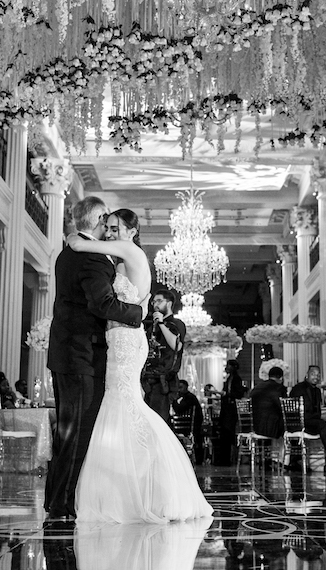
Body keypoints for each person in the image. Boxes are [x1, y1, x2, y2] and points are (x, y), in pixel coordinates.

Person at [67, 207, 213, 523]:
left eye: (115, 227)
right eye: (107, 227)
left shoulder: (126, 250)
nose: (109, 232)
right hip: (123, 338)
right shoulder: (126, 256)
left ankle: (137, 484)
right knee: (123, 404)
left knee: (122, 403)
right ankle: (133, 482)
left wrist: (75, 230)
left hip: (125, 340)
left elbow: (77, 245)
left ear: (132, 231)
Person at [44, 198, 145, 521]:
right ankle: (61, 504)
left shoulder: (69, 253)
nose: (110, 228)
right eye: (107, 222)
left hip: (67, 354)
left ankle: (56, 499)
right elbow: (102, 304)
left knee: (68, 431)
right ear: (99, 220)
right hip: (81, 356)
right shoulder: (92, 260)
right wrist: (139, 313)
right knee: (77, 432)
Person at [142, 289, 186, 423]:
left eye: (159, 301)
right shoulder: (150, 327)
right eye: (154, 301)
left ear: (169, 303)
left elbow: (176, 346)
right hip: (148, 380)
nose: (155, 304)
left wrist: (161, 324)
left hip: (164, 381)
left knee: (158, 421)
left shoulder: (176, 324)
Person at [250, 366, 287, 466]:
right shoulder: (279, 388)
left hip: (254, 426)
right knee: (292, 426)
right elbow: (283, 408)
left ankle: (265, 458)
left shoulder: (257, 387)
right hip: (271, 428)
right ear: (281, 378)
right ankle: (287, 460)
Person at [215, 359, 246, 466]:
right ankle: (224, 459)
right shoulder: (230, 378)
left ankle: (226, 459)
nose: (226, 368)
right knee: (225, 434)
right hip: (227, 410)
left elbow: (237, 393)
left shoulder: (236, 379)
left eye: (228, 366)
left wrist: (225, 394)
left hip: (230, 411)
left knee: (227, 434)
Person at [172, 379, 205, 465]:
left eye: (181, 387)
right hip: (189, 426)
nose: (179, 390)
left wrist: (174, 401)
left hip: (190, 426)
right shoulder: (187, 397)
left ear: (186, 387)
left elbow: (179, 409)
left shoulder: (189, 398)